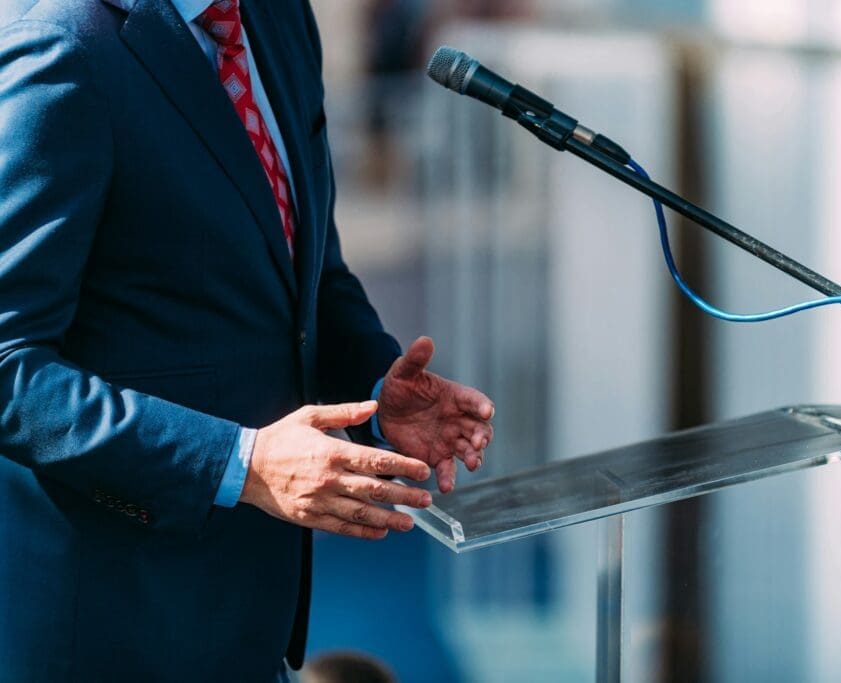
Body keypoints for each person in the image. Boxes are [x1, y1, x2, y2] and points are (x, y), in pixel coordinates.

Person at [0, 0, 494, 681]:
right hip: (114, 620)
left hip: (249, 612)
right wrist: (243, 460)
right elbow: (10, 370)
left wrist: (378, 390)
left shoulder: (279, 16)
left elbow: (305, 271)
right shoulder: (61, 48)